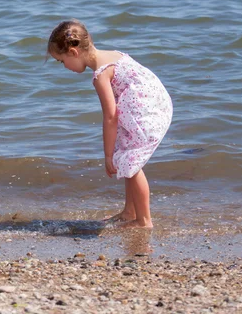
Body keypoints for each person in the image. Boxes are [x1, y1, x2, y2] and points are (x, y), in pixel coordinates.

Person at [46, 19, 173, 228]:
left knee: (130, 164)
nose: (64, 67)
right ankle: (129, 211)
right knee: (126, 156)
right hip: (158, 104)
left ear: (73, 53)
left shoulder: (100, 75)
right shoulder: (114, 55)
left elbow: (111, 116)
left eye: (62, 61)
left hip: (147, 114)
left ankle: (144, 220)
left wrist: (107, 155)